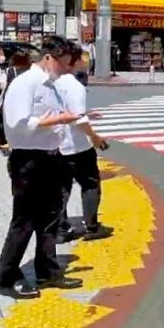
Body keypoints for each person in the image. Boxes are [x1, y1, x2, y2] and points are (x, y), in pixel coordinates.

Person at [0, 35, 84, 299]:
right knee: (24, 221)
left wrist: (60, 121)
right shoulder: (26, 83)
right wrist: (54, 120)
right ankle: (8, 277)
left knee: (50, 218)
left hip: (50, 157)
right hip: (28, 159)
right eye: (64, 63)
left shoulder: (52, 85)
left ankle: (47, 269)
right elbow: (16, 123)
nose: (67, 69)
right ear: (48, 58)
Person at [55, 47, 110, 242]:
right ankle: (91, 226)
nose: (85, 63)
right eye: (83, 59)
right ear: (75, 61)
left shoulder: (52, 82)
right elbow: (78, 120)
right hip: (77, 146)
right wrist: (94, 137)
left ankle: (61, 230)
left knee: (61, 188)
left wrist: (86, 114)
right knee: (90, 184)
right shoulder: (74, 86)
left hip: (56, 144)